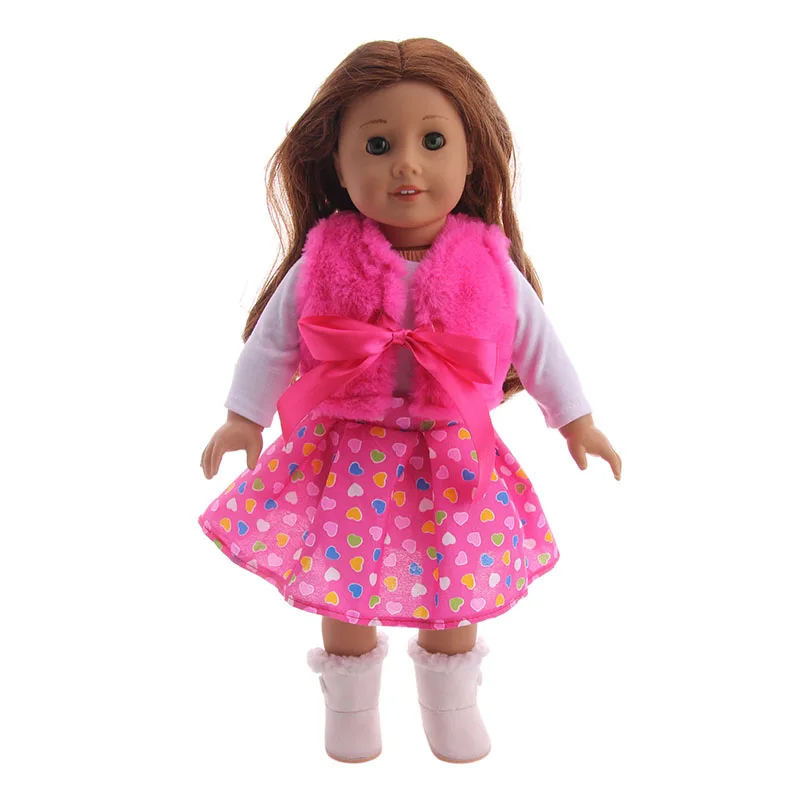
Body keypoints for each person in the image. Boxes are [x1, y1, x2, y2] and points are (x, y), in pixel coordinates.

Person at [198, 38, 622, 764]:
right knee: (342, 584)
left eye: (432, 141)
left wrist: (576, 421)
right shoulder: (324, 257)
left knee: (454, 585)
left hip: (451, 450)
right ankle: (350, 710)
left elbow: (539, 344)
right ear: (337, 164)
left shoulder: (488, 260)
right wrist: (243, 416)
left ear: (470, 157)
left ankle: (451, 706)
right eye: (378, 144)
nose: (406, 165)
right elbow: (274, 343)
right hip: (348, 451)